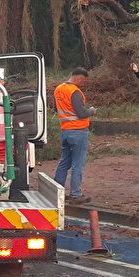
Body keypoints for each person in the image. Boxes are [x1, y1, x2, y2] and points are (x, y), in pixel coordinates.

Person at [54, 68, 96, 202]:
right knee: (78, 163)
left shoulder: (59, 89)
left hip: (65, 131)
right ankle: (75, 194)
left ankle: (57, 192)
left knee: (64, 162)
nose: (82, 84)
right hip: (78, 131)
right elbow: (81, 113)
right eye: (83, 81)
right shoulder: (75, 92)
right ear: (79, 78)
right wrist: (91, 111)